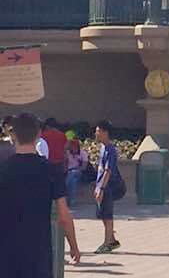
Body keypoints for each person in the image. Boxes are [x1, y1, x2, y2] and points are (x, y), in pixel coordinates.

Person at [0, 113, 81, 276]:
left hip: (6, 251)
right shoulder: (51, 170)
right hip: (38, 251)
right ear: (38, 135)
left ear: (13, 135)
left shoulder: (3, 169)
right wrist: (73, 247)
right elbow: (64, 215)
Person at [94, 120, 121, 253]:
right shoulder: (103, 147)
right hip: (102, 186)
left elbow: (108, 170)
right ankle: (112, 239)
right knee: (103, 214)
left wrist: (102, 188)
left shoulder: (110, 149)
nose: (96, 133)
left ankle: (107, 242)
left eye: (98, 131)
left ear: (105, 133)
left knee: (107, 214)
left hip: (108, 186)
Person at [64, 136, 89, 207]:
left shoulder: (83, 153)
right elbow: (64, 165)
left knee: (72, 175)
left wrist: (75, 169)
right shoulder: (67, 153)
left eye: (74, 144)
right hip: (69, 172)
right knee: (73, 181)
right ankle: (72, 200)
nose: (72, 146)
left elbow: (84, 167)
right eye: (71, 144)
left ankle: (66, 199)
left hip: (79, 172)